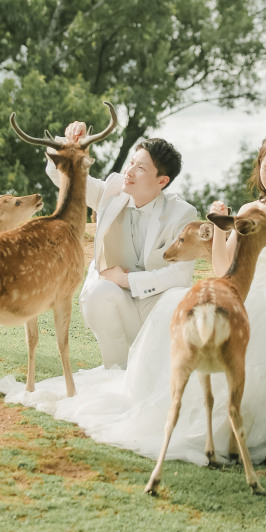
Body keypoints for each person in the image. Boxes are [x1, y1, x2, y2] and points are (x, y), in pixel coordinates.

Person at [0, 128, 266, 465]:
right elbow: (224, 268)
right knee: (173, 309)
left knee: (247, 345)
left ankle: (233, 426)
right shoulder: (250, 209)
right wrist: (221, 229)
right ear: (258, 168)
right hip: (245, 292)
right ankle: (163, 402)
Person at [45, 123, 197, 369]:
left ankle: (155, 371)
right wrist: (70, 142)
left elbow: (181, 275)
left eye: (140, 168)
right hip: (115, 303)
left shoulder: (182, 214)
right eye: (131, 163)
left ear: (162, 180)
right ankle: (114, 371)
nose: (129, 171)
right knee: (99, 292)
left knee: (179, 300)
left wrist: (127, 280)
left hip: (155, 308)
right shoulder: (111, 193)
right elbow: (60, 173)